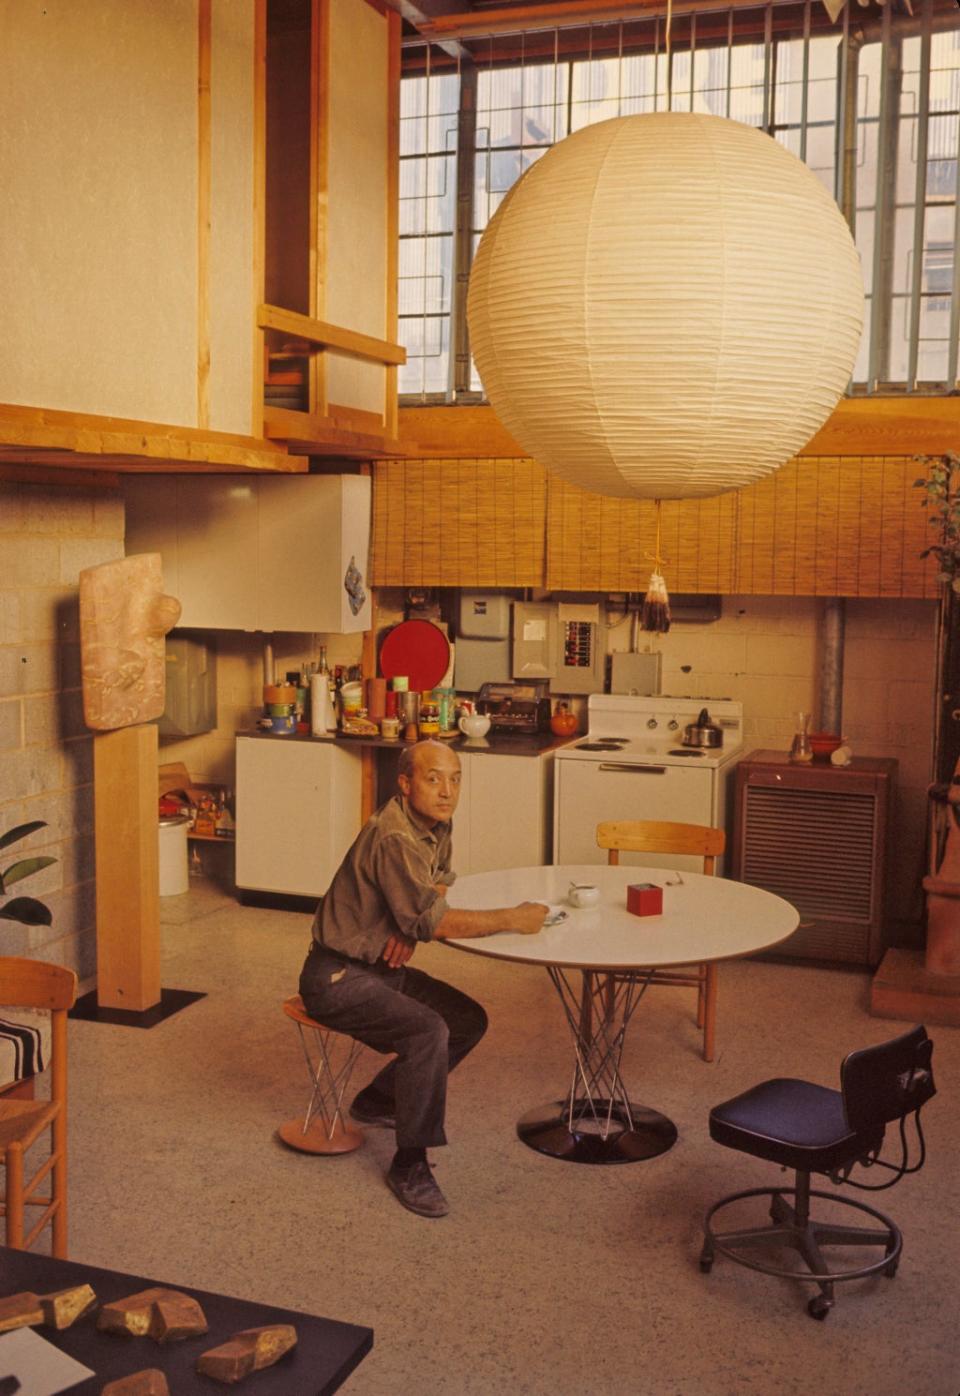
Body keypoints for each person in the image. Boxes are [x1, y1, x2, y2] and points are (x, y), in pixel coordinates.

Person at [299, 738, 547, 1219]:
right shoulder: (394, 836)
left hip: (381, 966)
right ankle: (409, 1164)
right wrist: (510, 919)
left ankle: (378, 1099)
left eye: (455, 779)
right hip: (337, 977)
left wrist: (408, 925)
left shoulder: (433, 822)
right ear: (406, 784)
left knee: (467, 1019)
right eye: (434, 779)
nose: (447, 790)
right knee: (428, 1031)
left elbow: (438, 884)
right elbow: (435, 920)